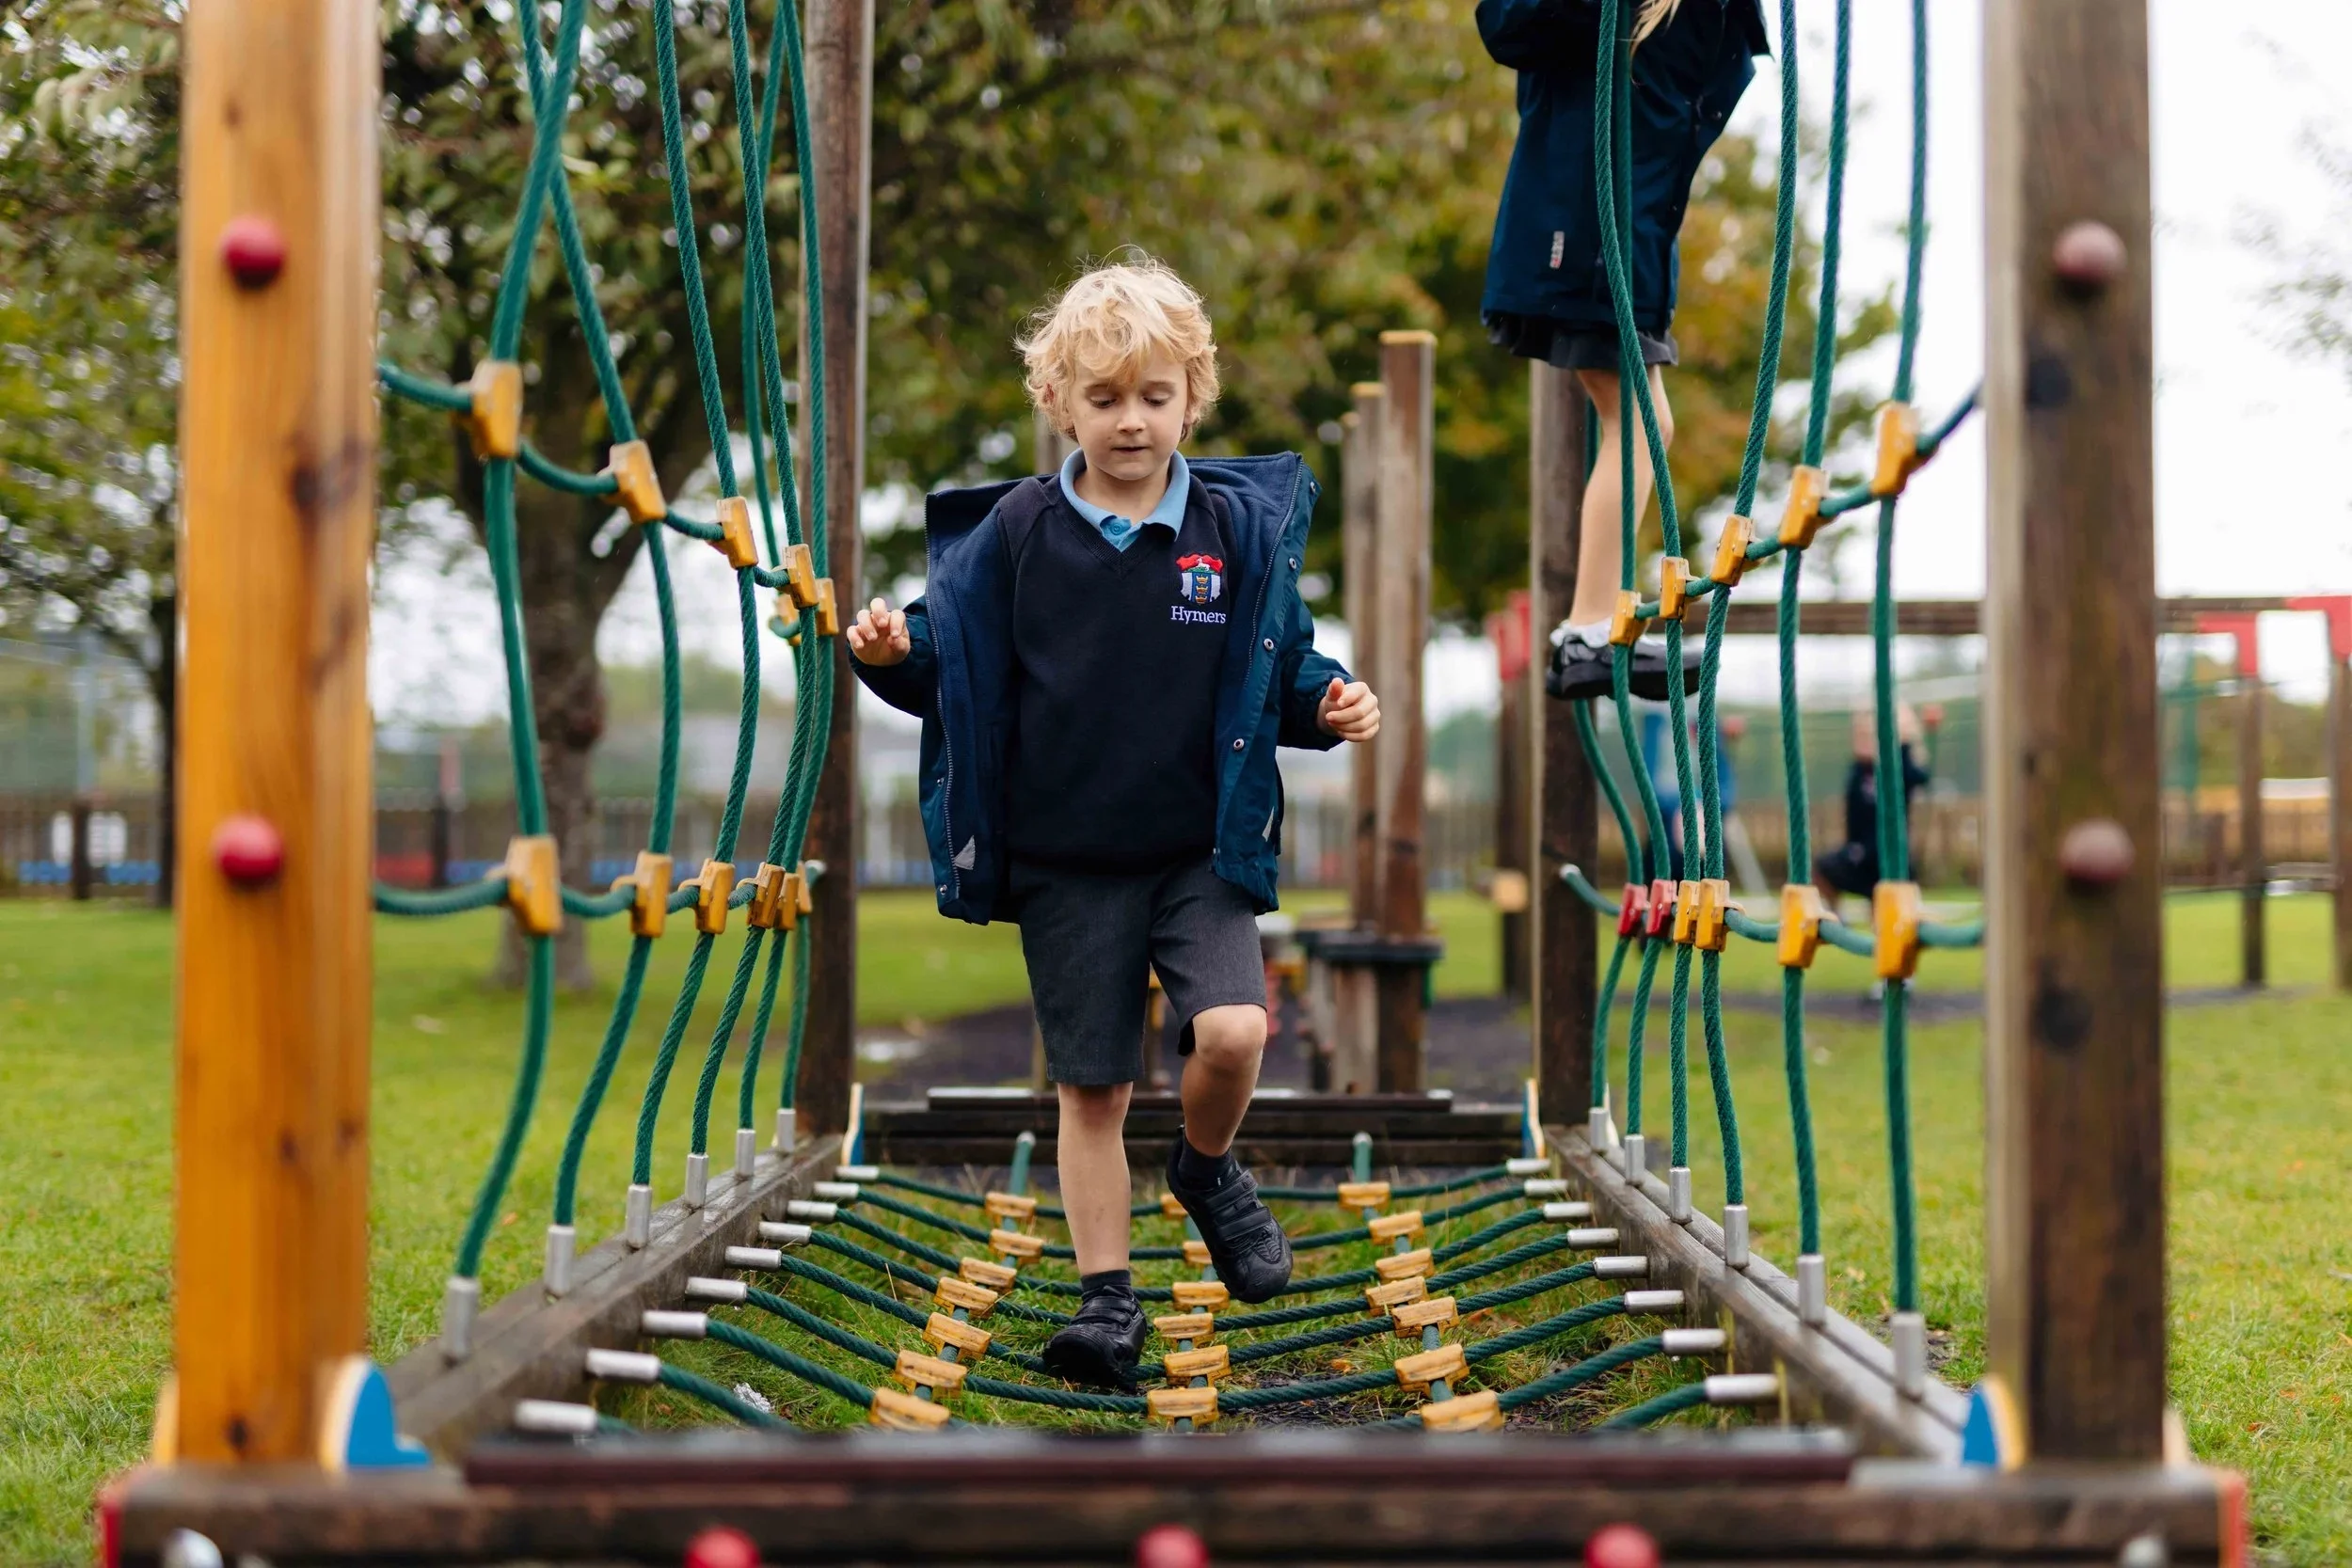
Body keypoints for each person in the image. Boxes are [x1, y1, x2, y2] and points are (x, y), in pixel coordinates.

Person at [846, 257, 1380, 1390]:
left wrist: (1329, 702)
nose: (1129, 420)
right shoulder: (1022, 530)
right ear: (1058, 406)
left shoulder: (1232, 531)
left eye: (1152, 395)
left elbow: (1283, 659)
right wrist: (892, 652)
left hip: (1199, 847)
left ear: (1193, 396)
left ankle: (1205, 1168)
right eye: (1102, 398)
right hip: (1066, 855)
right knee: (1091, 1087)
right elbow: (949, 654)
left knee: (1232, 1032)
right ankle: (1107, 1301)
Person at [1473, 0, 1771, 702]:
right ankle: (1586, 627)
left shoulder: (1710, 18)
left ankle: (1589, 625)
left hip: (1632, 251)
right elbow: (1506, 24)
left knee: (1641, 425)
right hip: (1580, 240)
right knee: (1641, 424)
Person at [1814, 705, 1937, 914]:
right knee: (1820, 869)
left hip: (1890, 857)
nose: (1862, 742)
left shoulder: (1895, 769)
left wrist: (1907, 741)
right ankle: (1838, 916)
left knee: (1888, 916)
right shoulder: (1858, 773)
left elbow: (1920, 777)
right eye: (1859, 736)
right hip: (1861, 854)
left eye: (1868, 736)